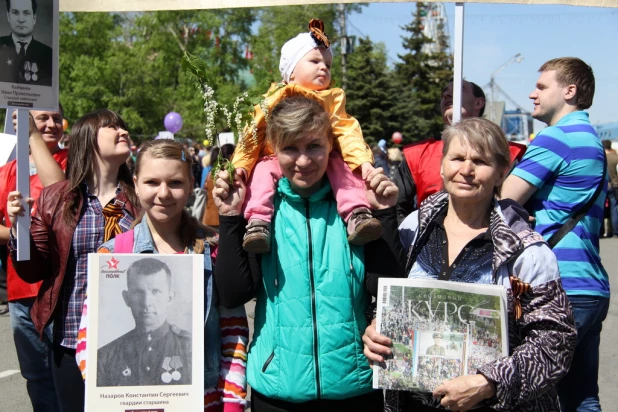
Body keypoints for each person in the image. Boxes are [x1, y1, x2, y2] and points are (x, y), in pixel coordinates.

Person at [364, 118, 576, 411]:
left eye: (480, 161)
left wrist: (489, 383)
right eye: (457, 158)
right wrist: (375, 330)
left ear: (502, 172)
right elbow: (386, 303)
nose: (466, 169)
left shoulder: (526, 250)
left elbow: (555, 342)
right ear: (442, 166)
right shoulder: (412, 230)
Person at [213, 96, 401, 411]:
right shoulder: (261, 211)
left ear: (331, 145)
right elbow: (234, 294)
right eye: (290, 149)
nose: (303, 161)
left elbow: (385, 287)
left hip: (355, 390)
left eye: (313, 146)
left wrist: (384, 215)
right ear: (274, 150)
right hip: (277, 392)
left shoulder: (354, 211)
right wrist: (231, 217)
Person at [78, 139, 249, 408]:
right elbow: (87, 340)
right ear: (135, 183)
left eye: (175, 183)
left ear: (191, 183)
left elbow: (234, 336)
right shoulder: (112, 254)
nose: (164, 193)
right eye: (152, 182)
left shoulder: (214, 250)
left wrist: (231, 404)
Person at [6, 109, 139, 412]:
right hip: (69, 338)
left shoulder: (141, 199)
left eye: (124, 126)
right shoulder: (56, 198)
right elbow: (32, 271)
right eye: (112, 127)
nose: (124, 132)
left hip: (129, 337)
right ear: (87, 139)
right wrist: (19, 229)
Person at [501, 57, 607, 412]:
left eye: (542, 87)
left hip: (556, 285)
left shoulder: (557, 137)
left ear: (569, 91)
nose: (532, 94)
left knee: (534, 394)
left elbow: (505, 197)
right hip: (590, 287)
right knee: (582, 396)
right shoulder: (590, 138)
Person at [232, 19, 382, 254]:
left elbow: (346, 130)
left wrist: (363, 162)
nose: (324, 68)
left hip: (321, 157)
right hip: (277, 156)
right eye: (314, 61)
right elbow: (253, 131)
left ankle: (357, 213)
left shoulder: (332, 99)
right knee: (261, 173)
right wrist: (241, 165)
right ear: (290, 73)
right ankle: (258, 222)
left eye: (328, 65)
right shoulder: (273, 98)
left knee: (343, 170)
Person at [0, 108, 66, 412]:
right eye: (42, 118)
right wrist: (17, 229)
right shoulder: (8, 171)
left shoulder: (75, 162)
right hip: (22, 292)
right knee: (37, 377)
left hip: (62, 288)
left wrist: (34, 134)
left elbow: (60, 192)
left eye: (56, 118)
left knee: (67, 373)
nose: (51, 124)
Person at [394, 80, 527, 223]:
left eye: (458, 89)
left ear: (478, 103)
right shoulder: (417, 154)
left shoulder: (508, 154)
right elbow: (397, 208)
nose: (447, 95)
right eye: (444, 92)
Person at [96, 258, 192, 387]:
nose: (146, 303)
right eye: (138, 292)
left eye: (156, 292)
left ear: (169, 298)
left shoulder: (190, 347)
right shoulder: (105, 356)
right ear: (126, 298)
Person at [0, 0, 53, 86]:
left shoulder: (48, 54)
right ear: (8, 16)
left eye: (26, 13)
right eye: (15, 13)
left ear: (34, 18)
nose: (21, 20)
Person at [202, 144, 235, 228]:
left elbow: (205, 188)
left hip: (209, 217)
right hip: (220, 218)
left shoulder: (210, 173)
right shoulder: (226, 173)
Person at [603, 139, 618, 237]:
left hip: (603, 186)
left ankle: (600, 232)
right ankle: (615, 231)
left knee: (601, 208)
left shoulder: (600, 157)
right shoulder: (615, 157)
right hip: (615, 185)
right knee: (614, 208)